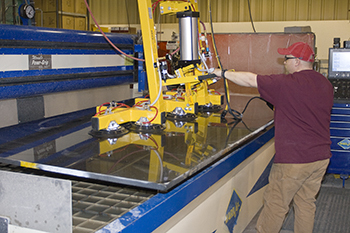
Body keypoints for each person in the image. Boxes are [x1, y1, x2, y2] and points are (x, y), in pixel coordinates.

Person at [212, 42, 334, 233]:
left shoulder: (288, 84)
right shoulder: (325, 84)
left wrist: (221, 73)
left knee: (276, 206)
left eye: (287, 59)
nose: (284, 63)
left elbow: (251, 80)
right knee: (306, 204)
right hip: (320, 157)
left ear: (297, 62)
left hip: (294, 160)